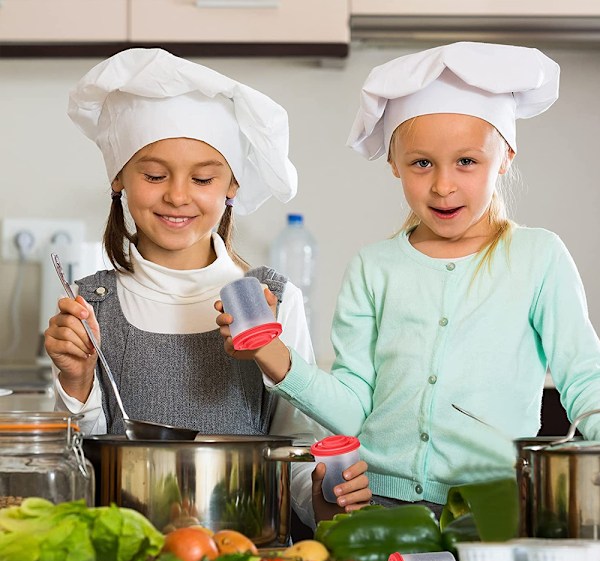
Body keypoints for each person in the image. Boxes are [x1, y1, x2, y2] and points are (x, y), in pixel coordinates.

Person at [217, 41, 600, 518]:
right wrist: (273, 356)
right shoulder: (373, 268)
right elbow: (355, 407)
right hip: (380, 508)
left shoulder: (538, 257)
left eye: (467, 161)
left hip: (492, 511)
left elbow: (585, 378)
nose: (443, 185)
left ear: (504, 157)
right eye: (422, 163)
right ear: (394, 163)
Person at [44, 47, 371, 529]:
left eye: (202, 177)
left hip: (247, 552)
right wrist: (76, 383)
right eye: (155, 175)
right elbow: (78, 464)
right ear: (119, 178)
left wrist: (328, 494)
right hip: (130, 559)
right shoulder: (90, 305)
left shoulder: (272, 300)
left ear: (231, 186)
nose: (177, 195)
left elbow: (296, 448)